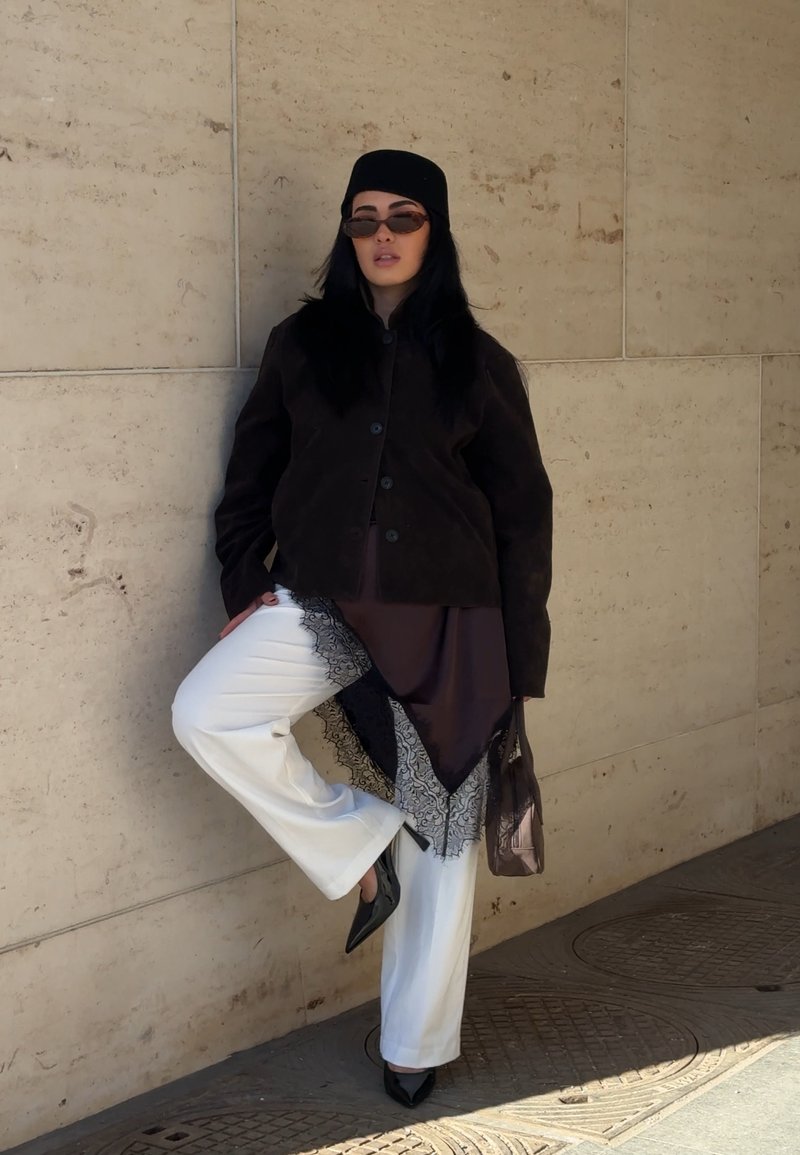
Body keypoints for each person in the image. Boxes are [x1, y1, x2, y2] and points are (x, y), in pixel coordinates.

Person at [171, 148, 553, 1108]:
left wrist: (519, 663)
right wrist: (240, 585)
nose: (381, 235)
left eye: (404, 217)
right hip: (324, 604)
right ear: (347, 233)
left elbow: (524, 515)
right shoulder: (302, 345)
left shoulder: (479, 360)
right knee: (206, 711)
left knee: (446, 835)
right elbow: (248, 479)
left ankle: (414, 1042)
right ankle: (354, 844)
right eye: (364, 218)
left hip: (452, 622)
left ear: (437, 231)